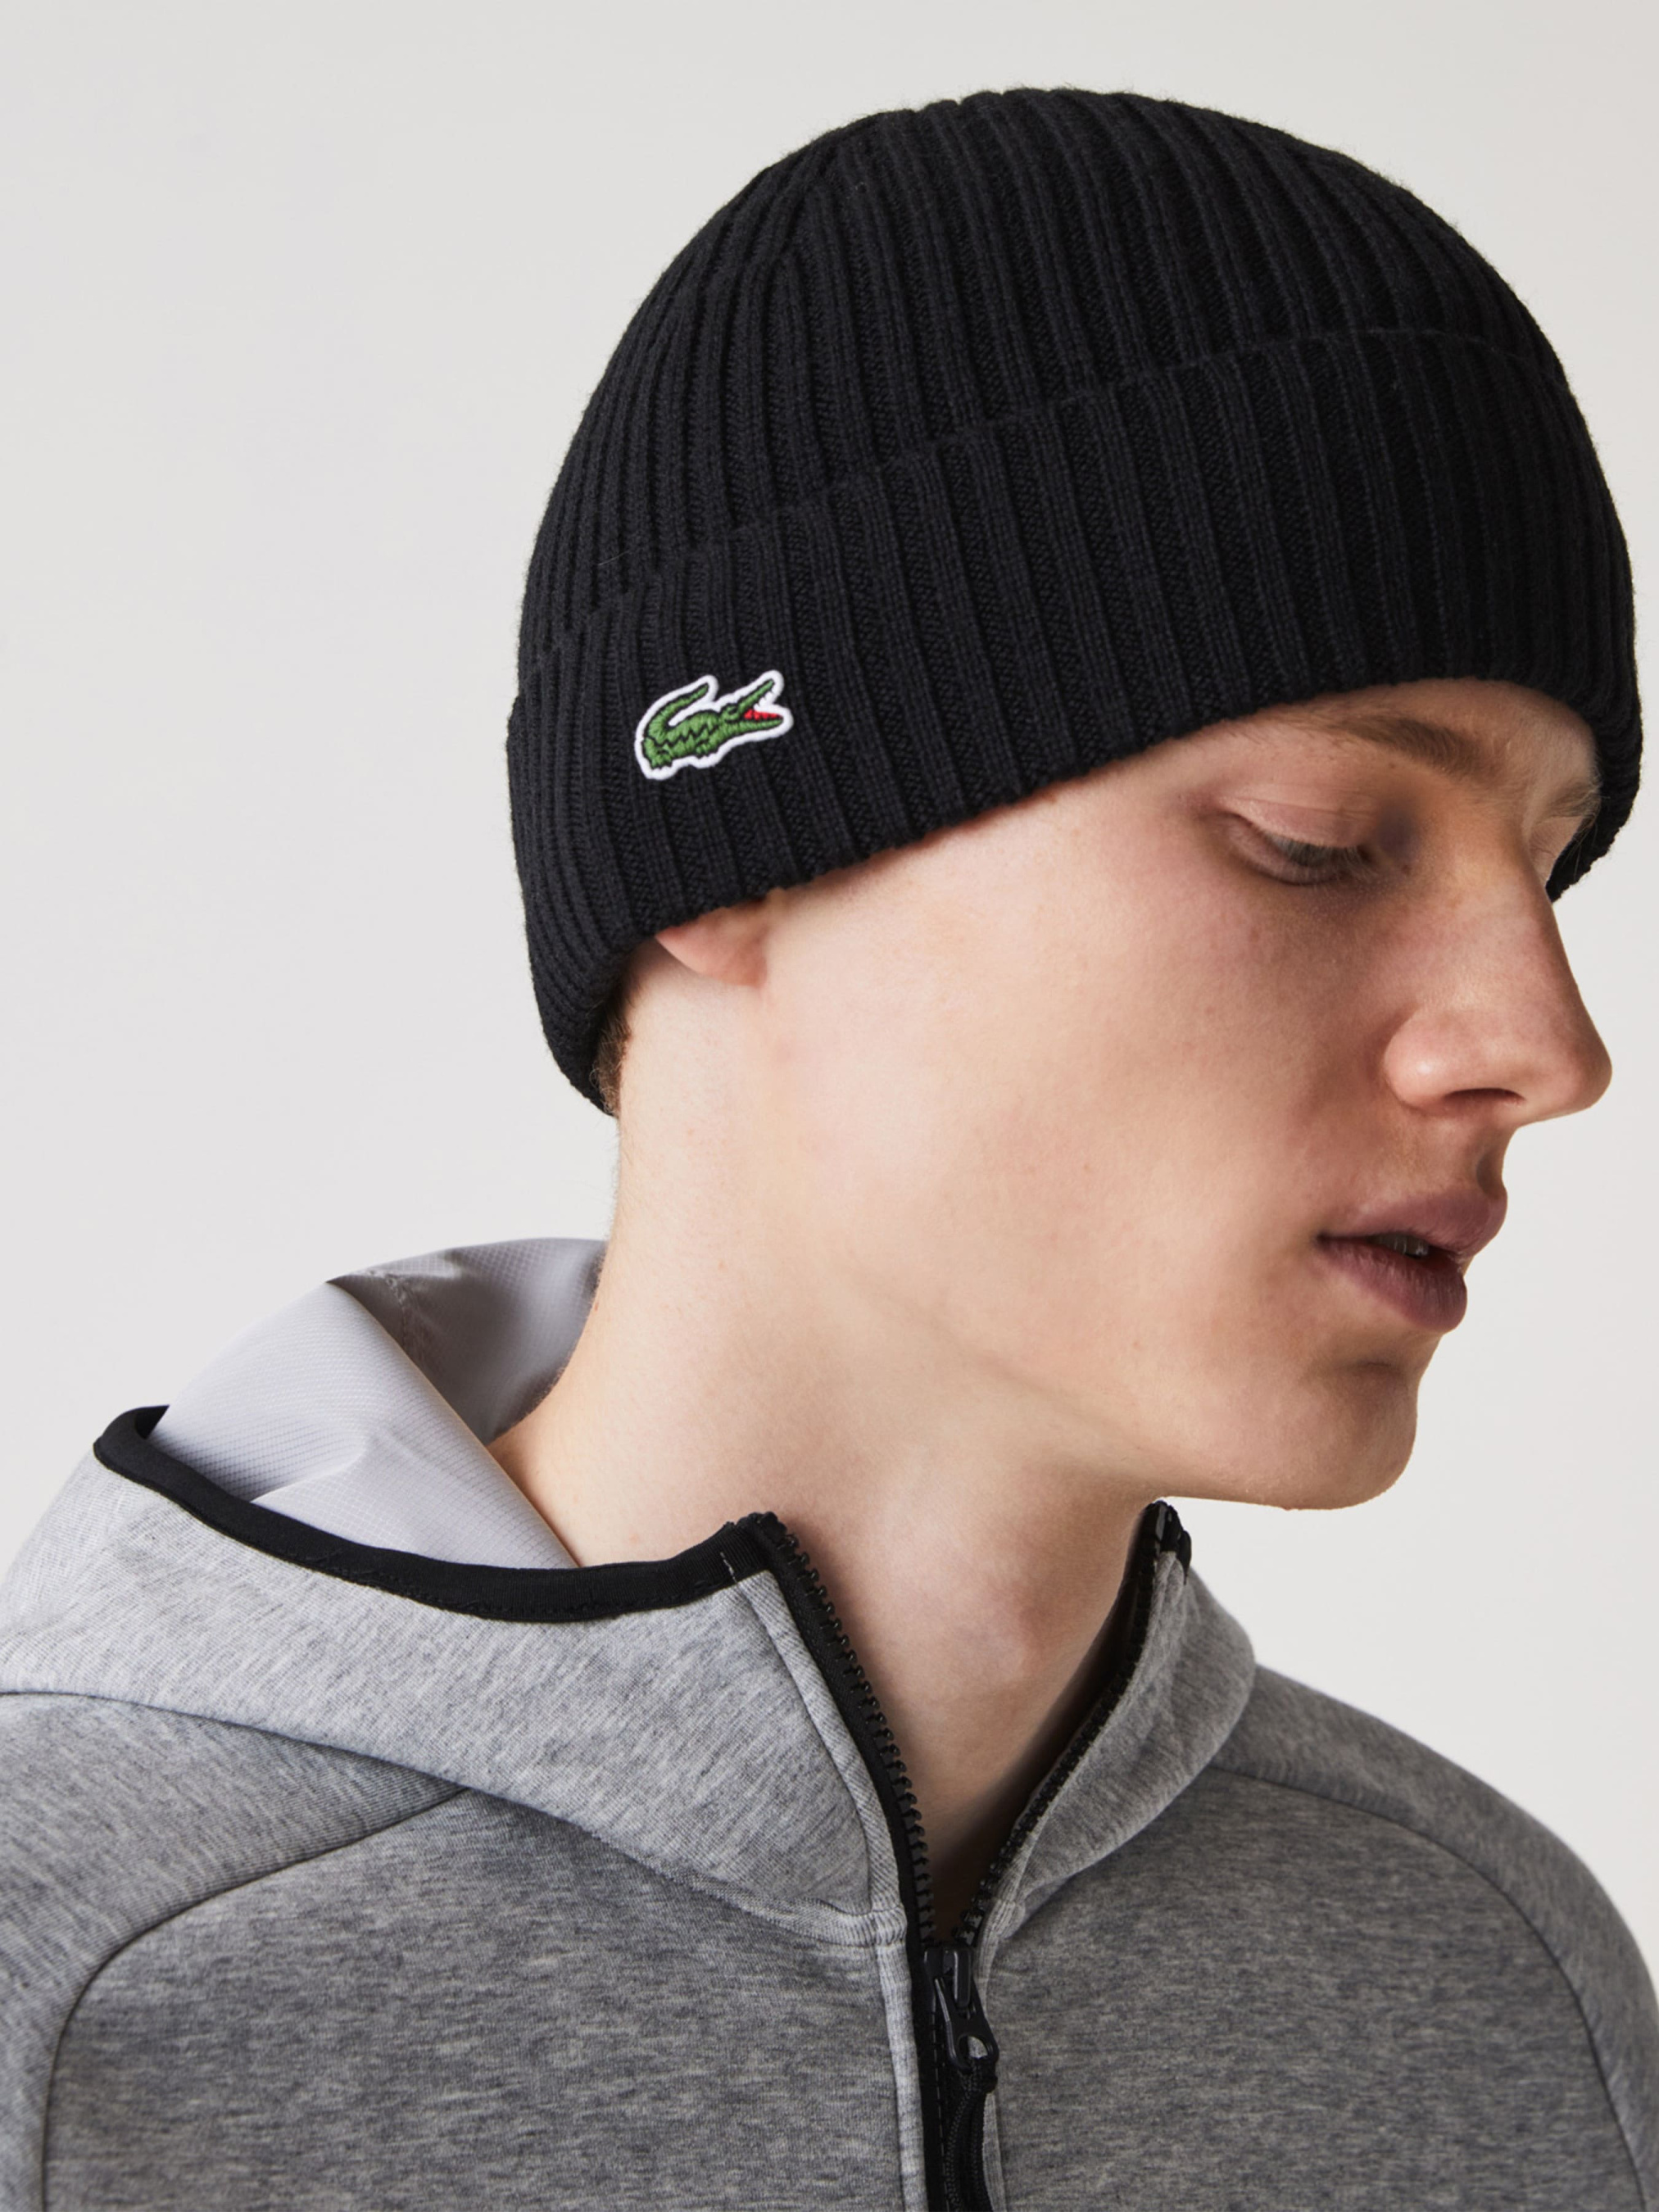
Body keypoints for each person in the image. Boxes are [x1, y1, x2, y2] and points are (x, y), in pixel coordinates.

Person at [0, 88, 1653, 2212]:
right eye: (1317, 840)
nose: (1545, 1047)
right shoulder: (69, 1998)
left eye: (1550, 871)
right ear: (736, 841)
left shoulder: (1493, 1994)